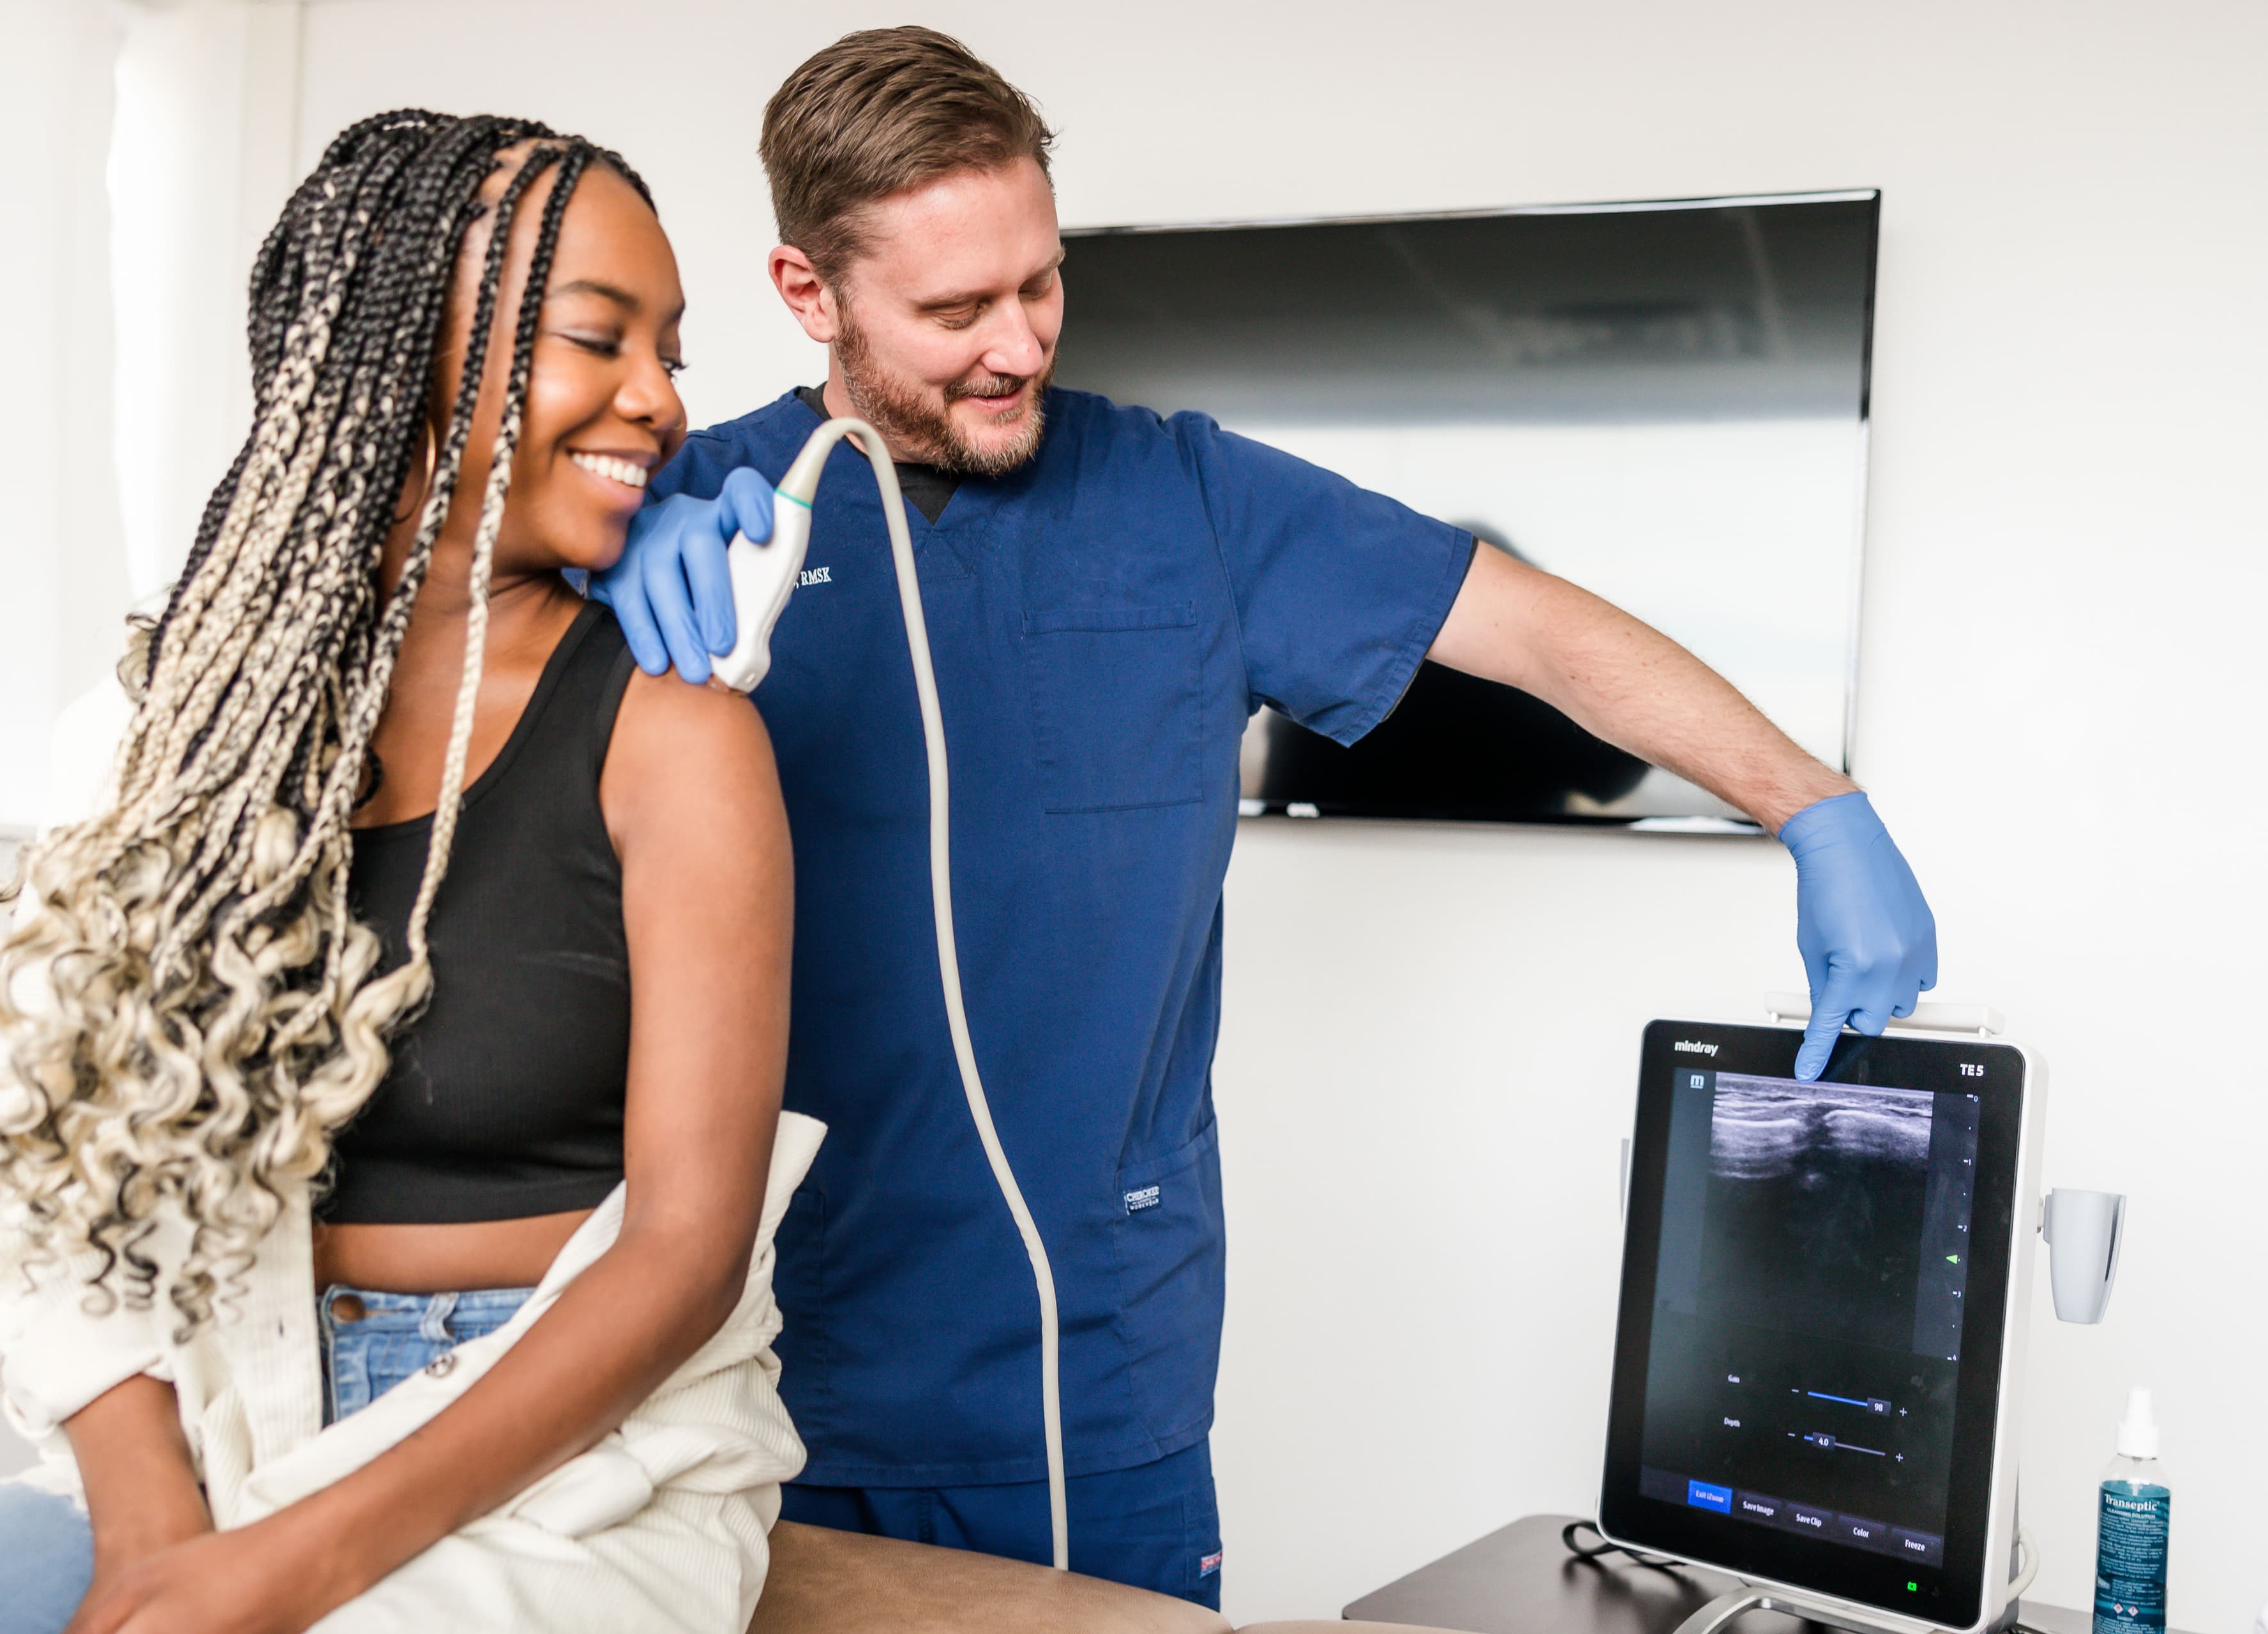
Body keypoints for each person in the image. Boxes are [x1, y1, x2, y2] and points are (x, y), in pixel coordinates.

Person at [598, 26, 1938, 1608]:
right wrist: (572, 538)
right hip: (753, 1374)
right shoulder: (701, 520)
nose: (1019, 343)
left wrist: (1818, 805)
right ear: (808, 294)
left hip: (1098, 1385)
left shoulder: (1187, 499)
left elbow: (1539, 631)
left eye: (1042, 282)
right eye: (956, 310)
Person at [0, 111, 806, 1634]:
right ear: (395, 355)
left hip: (575, 1469)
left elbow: (685, 1249)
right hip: (233, 1408)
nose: (665, 399)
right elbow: (55, 1180)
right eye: (599, 339)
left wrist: (291, 1563)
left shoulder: (673, 732)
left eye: (671, 347)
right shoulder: (173, 720)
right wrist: (156, 1538)